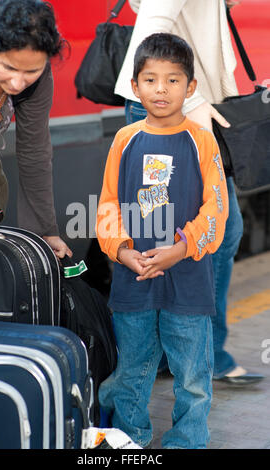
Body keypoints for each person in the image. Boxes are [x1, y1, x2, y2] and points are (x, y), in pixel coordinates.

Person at [115, 0, 264, 384]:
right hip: (172, 110)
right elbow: (149, 25)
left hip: (189, 107)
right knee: (187, 233)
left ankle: (189, 352)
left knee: (208, 233)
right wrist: (192, 100)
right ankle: (185, 355)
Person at [96, 32, 228, 449]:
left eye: (173, 80)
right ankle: (129, 439)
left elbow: (216, 209)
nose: (161, 89)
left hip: (188, 279)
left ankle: (187, 441)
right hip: (132, 277)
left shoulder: (202, 140)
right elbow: (108, 205)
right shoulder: (125, 139)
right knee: (131, 368)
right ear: (134, 87)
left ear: (191, 87)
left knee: (192, 373)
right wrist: (121, 250)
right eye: (151, 79)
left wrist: (181, 248)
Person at [0, 0, 72, 259]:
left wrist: (44, 234)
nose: (18, 82)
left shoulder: (37, 80)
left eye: (31, 71)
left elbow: (34, 152)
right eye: (8, 68)